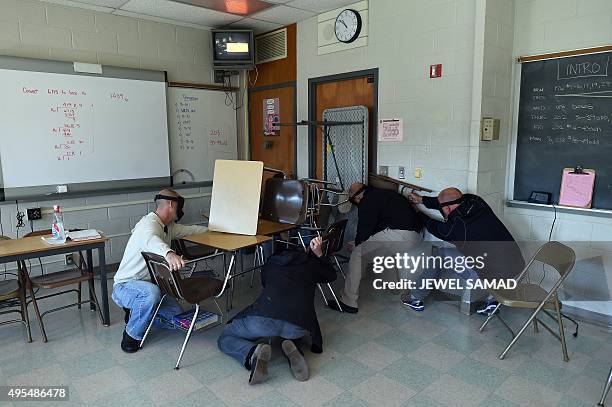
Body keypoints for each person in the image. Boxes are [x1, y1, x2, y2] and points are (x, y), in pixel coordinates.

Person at [217, 237, 335, 385]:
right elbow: (332, 275)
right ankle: (295, 350)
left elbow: (266, 286)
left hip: (264, 320)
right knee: (290, 322)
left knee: (225, 337)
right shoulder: (310, 264)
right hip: (299, 326)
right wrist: (319, 254)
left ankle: (253, 353)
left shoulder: (269, 265)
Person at [112, 189, 208, 353]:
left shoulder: (167, 226)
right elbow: (151, 240)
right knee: (151, 293)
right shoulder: (147, 225)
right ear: (171, 204)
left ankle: (136, 313)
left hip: (148, 286)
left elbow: (189, 230)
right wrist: (169, 253)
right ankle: (131, 335)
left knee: (175, 319)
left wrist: (213, 229)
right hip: (125, 286)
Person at [403, 188, 524, 314]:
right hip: (518, 270)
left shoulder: (456, 228)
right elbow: (448, 203)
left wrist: (418, 212)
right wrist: (422, 200)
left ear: (448, 209)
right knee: (488, 258)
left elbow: (434, 226)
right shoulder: (476, 201)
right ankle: (491, 301)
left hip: (496, 277)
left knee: (440, 255)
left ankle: (415, 298)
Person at [328, 183, 423, 314]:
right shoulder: (384, 194)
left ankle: (348, 302)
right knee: (386, 254)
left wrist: (357, 244)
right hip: (416, 235)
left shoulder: (367, 200)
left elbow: (364, 229)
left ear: (357, 197)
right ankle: (400, 290)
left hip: (400, 234)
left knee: (358, 254)